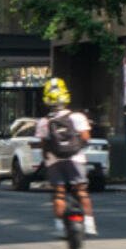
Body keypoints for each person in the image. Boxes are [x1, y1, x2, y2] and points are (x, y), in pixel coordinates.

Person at [39, 80, 94, 236]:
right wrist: (76, 148)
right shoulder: (78, 117)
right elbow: (86, 137)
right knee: (82, 191)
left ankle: (60, 228)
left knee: (59, 193)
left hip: (54, 161)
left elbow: (43, 143)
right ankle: (90, 224)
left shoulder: (44, 121)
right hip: (76, 159)